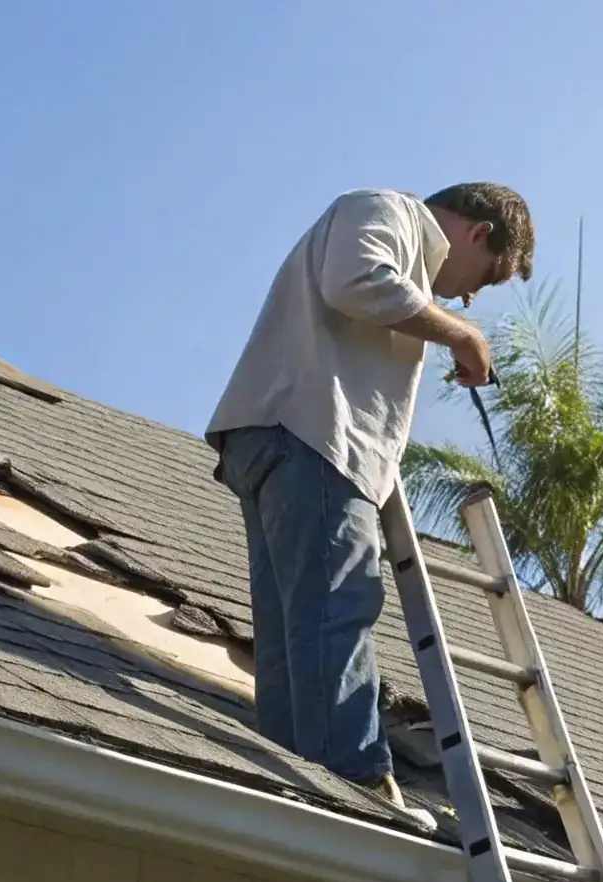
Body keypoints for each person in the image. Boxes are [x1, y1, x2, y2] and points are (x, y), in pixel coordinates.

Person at [204, 184, 534, 807]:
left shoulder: (398, 240)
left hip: (278, 436)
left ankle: (291, 779)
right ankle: (353, 783)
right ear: (478, 234)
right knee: (338, 606)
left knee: (292, 633)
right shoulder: (387, 210)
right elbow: (354, 280)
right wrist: (460, 334)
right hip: (313, 434)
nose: (467, 296)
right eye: (486, 279)